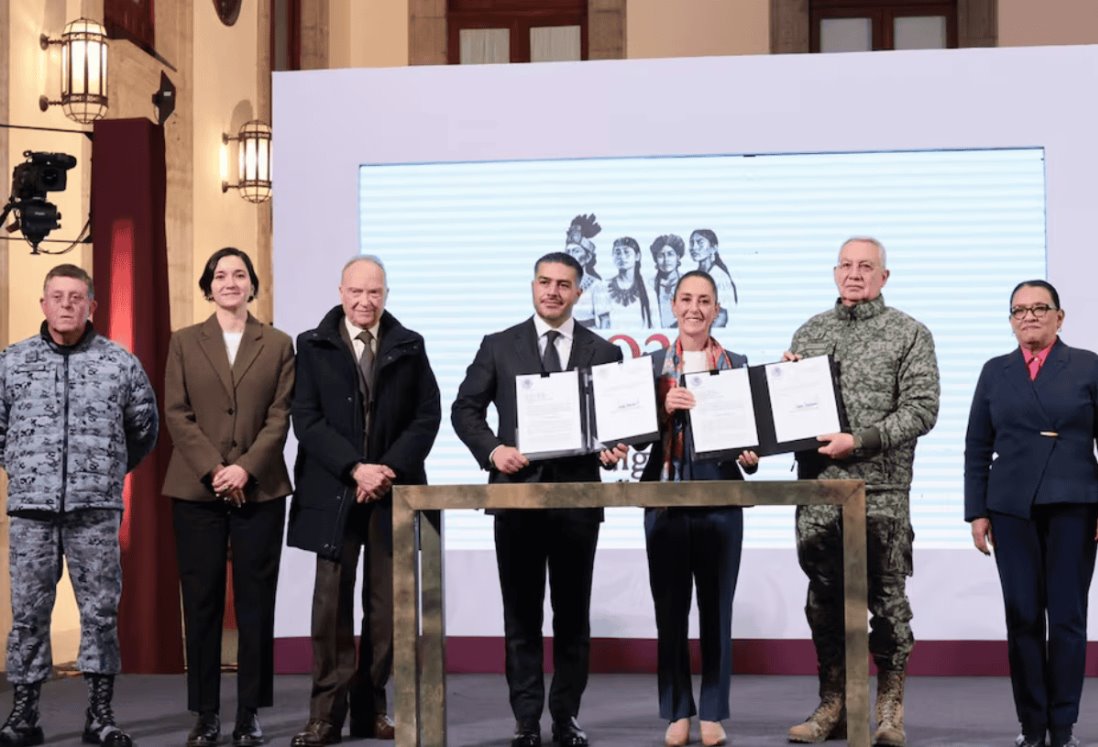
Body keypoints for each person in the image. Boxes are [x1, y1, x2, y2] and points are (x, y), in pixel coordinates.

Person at [451, 252, 629, 747]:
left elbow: (614, 429)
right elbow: (464, 409)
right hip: (517, 500)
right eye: (545, 282)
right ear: (533, 286)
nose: (553, 291)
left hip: (576, 503)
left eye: (564, 284)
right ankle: (526, 721)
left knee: (573, 617)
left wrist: (615, 448)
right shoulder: (498, 346)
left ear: (579, 291)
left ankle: (566, 717)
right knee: (522, 618)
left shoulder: (605, 351)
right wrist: (493, 450)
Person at [784, 237, 939, 747]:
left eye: (866, 267)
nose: (855, 275)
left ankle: (889, 710)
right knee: (823, 603)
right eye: (847, 266)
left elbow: (922, 410)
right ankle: (836, 705)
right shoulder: (811, 332)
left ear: (884, 277)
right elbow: (790, 414)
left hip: (882, 492)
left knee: (888, 604)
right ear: (835, 273)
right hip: (819, 493)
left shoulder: (909, 333)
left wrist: (861, 441)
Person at [0, 264, 159, 747]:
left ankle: (100, 716)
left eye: (76, 297)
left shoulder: (119, 363)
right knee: (28, 614)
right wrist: (26, 471)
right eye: (57, 296)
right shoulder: (12, 362)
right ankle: (23, 715)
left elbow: (144, 429)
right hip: (32, 510)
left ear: (92, 306)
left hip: (95, 510)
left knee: (100, 613)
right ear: (43, 303)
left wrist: (105, 471)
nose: (66, 304)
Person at [287, 256, 441, 746]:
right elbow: (306, 419)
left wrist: (385, 470)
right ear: (340, 292)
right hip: (335, 490)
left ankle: (373, 708)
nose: (364, 301)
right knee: (329, 608)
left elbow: (426, 416)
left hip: (391, 494)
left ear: (386, 295)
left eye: (374, 292)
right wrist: (356, 467)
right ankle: (324, 717)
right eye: (356, 292)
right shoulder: (310, 346)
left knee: (386, 608)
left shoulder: (409, 345)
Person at [162, 248, 295, 747]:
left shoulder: (279, 344)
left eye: (240, 274)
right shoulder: (183, 342)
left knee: (257, 603)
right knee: (201, 603)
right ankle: (206, 713)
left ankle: (249, 714)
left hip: (259, 488)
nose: (230, 282)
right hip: (196, 489)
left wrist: (244, 468)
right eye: (221, 275)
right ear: (208, 286)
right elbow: (177, 413)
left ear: (252, 285)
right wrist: (216, 469)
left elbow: (280, 416)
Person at [965, 280, 1098, 747]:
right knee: (1022, 616)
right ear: (1010, 320)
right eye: (1019, 310)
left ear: (1059, 317)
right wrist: (977, 512)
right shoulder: (995, 371)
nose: (1030, 317)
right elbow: (977, 445)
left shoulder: (1087, 366)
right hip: (1010, 508)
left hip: (1074, 504)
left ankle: (1063, 727)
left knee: (1066, 617)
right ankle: (1032, 727)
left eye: (1040, 308)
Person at [640, 270, 759, 747]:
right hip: (664, 499)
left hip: (720, 499)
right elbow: (628, 438)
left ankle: (712, 710)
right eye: (686, 299)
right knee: (669, 612)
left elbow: (753, 437)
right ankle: (676, 711)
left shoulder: (738, 363)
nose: (695, 308)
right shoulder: (648, 367)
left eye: (704, 300)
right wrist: (661, 409)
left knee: (717, 609)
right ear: (672, 305)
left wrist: (752, 451)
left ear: (716, 308)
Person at [564, 214, 610, 329]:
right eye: (568, 251)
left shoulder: (596, 285)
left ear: (587, 257)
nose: (571, 255)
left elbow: (605, 320)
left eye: (576, 251)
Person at [688, 230, 736, 328]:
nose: (694, 248)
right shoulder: (694, 276)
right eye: (692, 243)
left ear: (713, 248)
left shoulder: (719, 276)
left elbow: (722, 317)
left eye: (700, 243)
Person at [606, 236, 653, 328]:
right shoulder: (603, 287)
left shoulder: (649, 290)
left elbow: (656, 326)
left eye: (626, 252)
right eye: (618, 253)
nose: (622, 257)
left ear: (637, 256)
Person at [650, 235, 685, 328]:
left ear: (678, 257)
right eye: (661, 255)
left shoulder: (688, 282)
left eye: (670, 254)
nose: (666, 260)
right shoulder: (649, 285)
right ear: (655, 259)